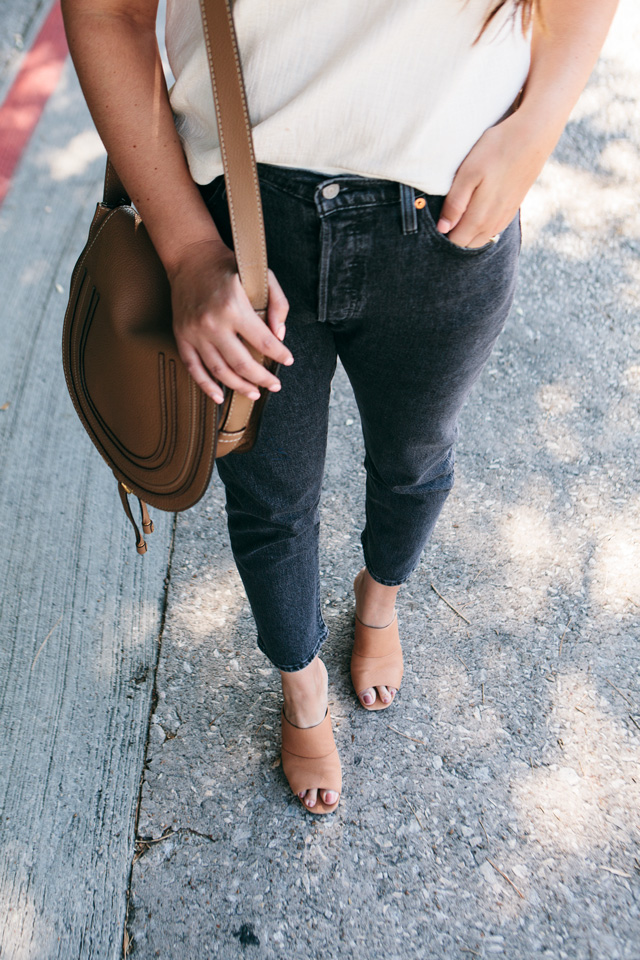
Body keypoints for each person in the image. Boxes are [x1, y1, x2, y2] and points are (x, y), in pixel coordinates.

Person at [62, 0, 618, 814]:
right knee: (272, 503)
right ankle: (302, 687)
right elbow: (107, 12)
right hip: (246, 226)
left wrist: (538, 124)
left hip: (449, 219)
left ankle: (379, 599)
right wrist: (184, 249)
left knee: (416, 461)